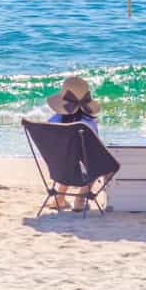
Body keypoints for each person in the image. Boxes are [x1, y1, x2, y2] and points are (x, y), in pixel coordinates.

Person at [44, 75, 103, 210]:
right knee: (97, 161)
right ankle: (80, 200)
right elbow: (95, 148)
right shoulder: (88, 123)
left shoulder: (53, 120)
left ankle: (60, 199)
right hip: (82, 170)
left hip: (58, 169)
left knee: (68, 156)